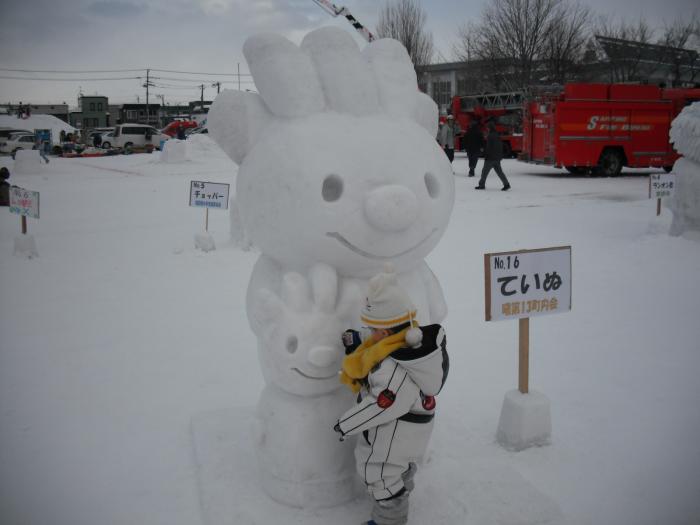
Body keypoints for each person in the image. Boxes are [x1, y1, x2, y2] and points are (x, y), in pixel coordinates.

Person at [335, 266, 449, 525]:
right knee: (396, 467)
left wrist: (346, 424)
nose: (369, 334)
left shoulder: (394, 371)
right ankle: (402, 483)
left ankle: (389, 519)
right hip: (409, 429)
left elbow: (381, 406)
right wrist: (358, 338)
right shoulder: (404, 338)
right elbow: (380, 339)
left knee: (379, 473)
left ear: (384, 332)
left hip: (396, 429)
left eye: (371, 330)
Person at [475, 120, 511, 191]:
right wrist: (500, 156)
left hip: (490, 158)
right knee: (500, 172)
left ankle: (481, 185)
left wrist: (485, 154)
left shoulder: (490, 136)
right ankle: (506, 184)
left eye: (487, 128)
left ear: (489, 128)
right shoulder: (497, 135)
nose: (487, 129)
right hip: (497, 158)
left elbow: (489, 147)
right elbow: (500, 146)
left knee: (484, 172)